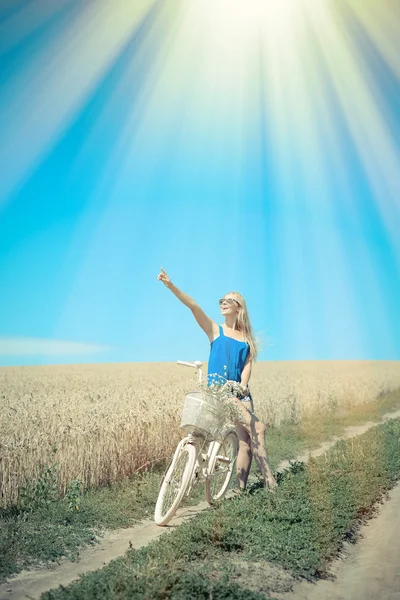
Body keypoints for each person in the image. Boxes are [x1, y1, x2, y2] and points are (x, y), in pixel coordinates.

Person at [157, 267, 277, 491]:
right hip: (220, 393)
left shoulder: (247, 339)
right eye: (221, 300)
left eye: (229, 300)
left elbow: (247, 366)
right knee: (258, 428)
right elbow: (193, 306)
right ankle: (270, 482)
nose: (223, 302)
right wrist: (170, 285)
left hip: (240, 393)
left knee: (246, 443)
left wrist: (242, 385)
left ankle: (241, 490)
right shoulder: (215, 330)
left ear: (238, 308)